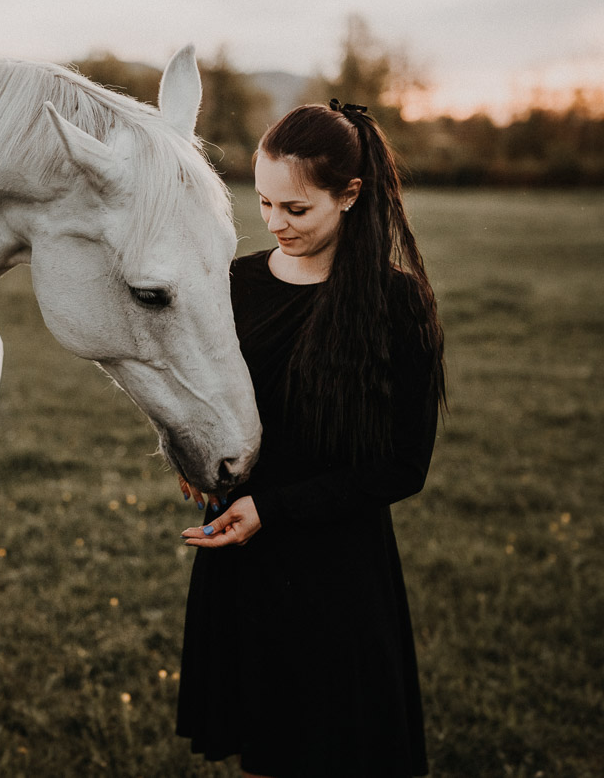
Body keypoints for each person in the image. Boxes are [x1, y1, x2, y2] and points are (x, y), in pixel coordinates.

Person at [175, 100, 446, 778]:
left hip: (339, 574)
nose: (273, 223)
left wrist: (274, 509)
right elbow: (207, 402)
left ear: (350, 195)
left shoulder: (397, 303)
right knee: (263, 755)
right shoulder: (233, 285)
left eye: (296, 208)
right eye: (264, 202)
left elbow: (404, 466)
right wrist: (196, 458)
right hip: (245, 571)